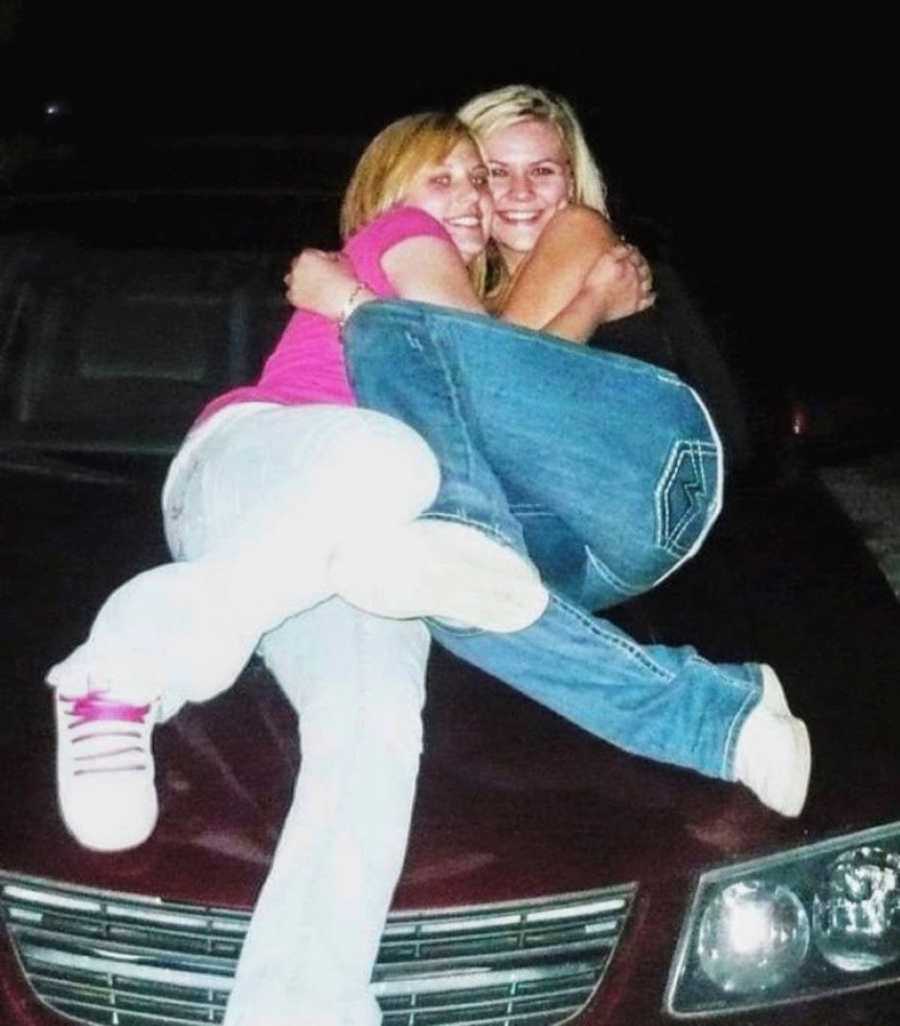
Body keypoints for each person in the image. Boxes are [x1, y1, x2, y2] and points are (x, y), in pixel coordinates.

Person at [45, 111, 646, 1026]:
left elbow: (502, 400)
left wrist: (583, 305)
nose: (471, 199)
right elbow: (477, 371)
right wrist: (590, 304)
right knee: (393, 456)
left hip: (350, 551)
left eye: (473, 183)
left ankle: (301, 1004)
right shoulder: (395, 240)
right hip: (259, 464)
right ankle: (122, 667)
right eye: (440, 178)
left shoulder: (465, 286)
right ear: (387, 197)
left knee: (375, 726)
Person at [286, 85, 811, 820]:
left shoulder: (578, 230)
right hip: (586, 541)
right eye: (494, 172)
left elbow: (492, 373)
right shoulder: (478, 291)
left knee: (389, 335)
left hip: (645, 473)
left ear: (574, 178)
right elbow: (487, 387)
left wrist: (350, 304)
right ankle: (725, 719)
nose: (520, 192)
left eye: (545, 170)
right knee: (442, 588)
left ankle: (469, 531)